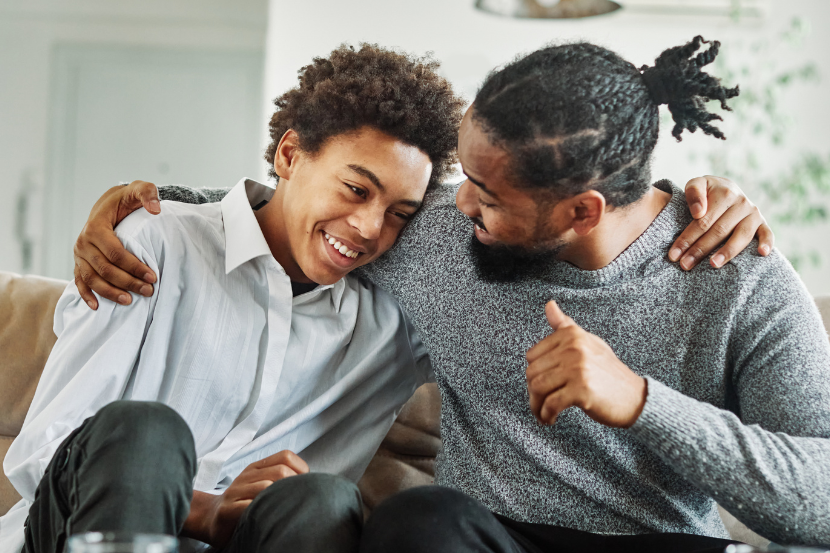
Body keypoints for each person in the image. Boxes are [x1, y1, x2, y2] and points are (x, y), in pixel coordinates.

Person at [68, 38, 829, 552]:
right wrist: (141, 207)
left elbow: (820, 501)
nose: (458, 207)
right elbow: (299, 212)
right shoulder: (436, 233)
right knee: (414, 519)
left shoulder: (740, 276)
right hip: (475, 536)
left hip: (660, 540)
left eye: (489, 196)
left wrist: (640, 400)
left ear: (581, 211)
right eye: (461, 177)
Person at [0, 44, 465, 553]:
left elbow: (492, 220)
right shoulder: (153, 243)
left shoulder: (399, 322)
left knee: (322, 499)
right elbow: (43, 452)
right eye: (356, 189)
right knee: (146, 432)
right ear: (289, 155)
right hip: (83, 530)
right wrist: (204, 510)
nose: (370, 229)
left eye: (400, 212)